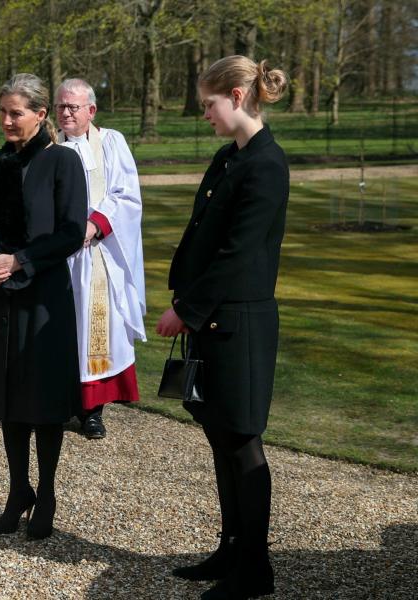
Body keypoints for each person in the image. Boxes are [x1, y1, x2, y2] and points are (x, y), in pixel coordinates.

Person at [156, 55, 288, 600]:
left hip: (241, 323)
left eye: (209, 104)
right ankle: (232, 549)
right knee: (219, 439)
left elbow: (238, 255)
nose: (204, 114)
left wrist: (185, 310)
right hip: (212, 319)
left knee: (241, 443)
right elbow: (202, 235)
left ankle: (255, 569)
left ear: (236, 96)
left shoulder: (266, 164)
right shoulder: (228, 157)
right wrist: (184, 293)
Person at [0, 73, 86, 540]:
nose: (7, 120)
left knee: (43, 400)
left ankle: (48, 492)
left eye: (16, 113)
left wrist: (21, 259)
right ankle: (19, 490)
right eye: (3, 112)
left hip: (43, 296)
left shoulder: (62, 163)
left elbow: (71, 233)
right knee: (8, 397)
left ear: (40, 114)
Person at [54, 78, 146, 440]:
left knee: (96, 330)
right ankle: (60, 402)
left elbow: (126, 194)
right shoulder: (48, 145)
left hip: (95, 253)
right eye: (61, 106)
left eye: (73, 107)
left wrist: (93, 226)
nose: (65, 113)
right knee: (59, 329)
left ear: (91, 110)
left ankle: (92, 410)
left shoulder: (111, 142)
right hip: (57, 257)